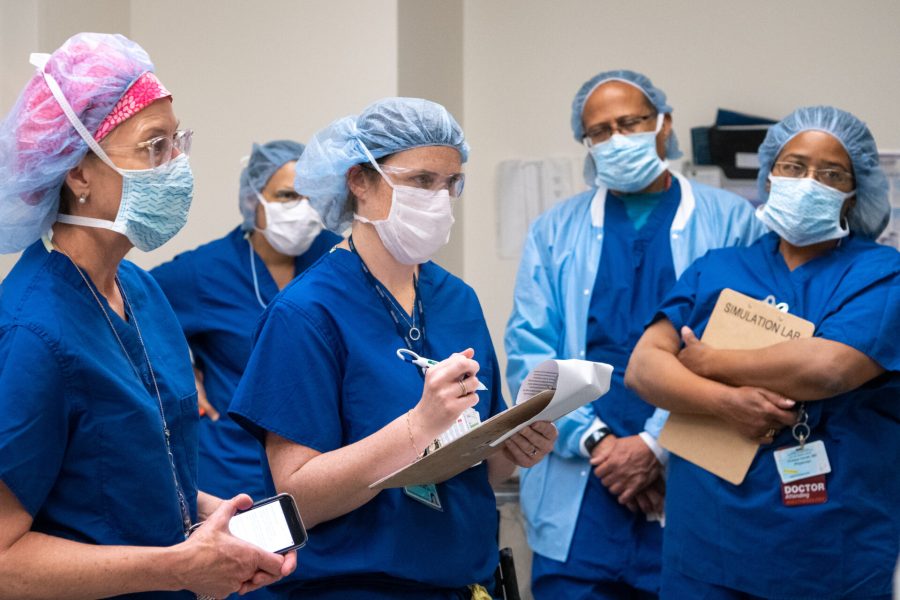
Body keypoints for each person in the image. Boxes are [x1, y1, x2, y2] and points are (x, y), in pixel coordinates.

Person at [0, 33, 293, 598]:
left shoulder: (141, 293)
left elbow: (135, 473)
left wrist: (216, 524)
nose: (177, 166)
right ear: (78, 174)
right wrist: (178, 567)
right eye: (154, 147)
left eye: (177, 141)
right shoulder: (31, 333)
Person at [229, 97, 558, 599]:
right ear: (360, 181)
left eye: (451, 184)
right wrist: (415, 427)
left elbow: (481, 468)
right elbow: (297, 498)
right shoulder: (307, 314)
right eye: (422, 181)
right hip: (355, 586)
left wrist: (514, 449)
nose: (440, 199)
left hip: (464, 581)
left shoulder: (457, 301)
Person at [504, 69, 767, 599]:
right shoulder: (554, 232)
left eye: (630, 122)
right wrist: (599, 443)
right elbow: (529, 352)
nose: (616, 138)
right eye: (598, 131)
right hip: (581, 491)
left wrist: (654, 444)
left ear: (664, 125)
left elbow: (744, 351)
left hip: (688, 477)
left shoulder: (733, 223)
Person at [626, 106, 899, 599]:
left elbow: (827, 369)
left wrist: (709, 363)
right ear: (770, 174)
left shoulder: (882, 273)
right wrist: (724, 402)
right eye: (794, 166)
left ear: (852, 193)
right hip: (705, 543)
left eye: (831, 173)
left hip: (827, 551)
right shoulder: (719, 267)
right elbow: (645, 366)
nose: (809, 181)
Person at [151, 140, 340, 503]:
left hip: (323, 461)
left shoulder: (335, 257)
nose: (302, 210)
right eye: (287, 196)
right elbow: (132, 309)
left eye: (311, 197)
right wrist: (180, 371)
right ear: (253, 200)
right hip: (235, 467)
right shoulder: (206, 272)